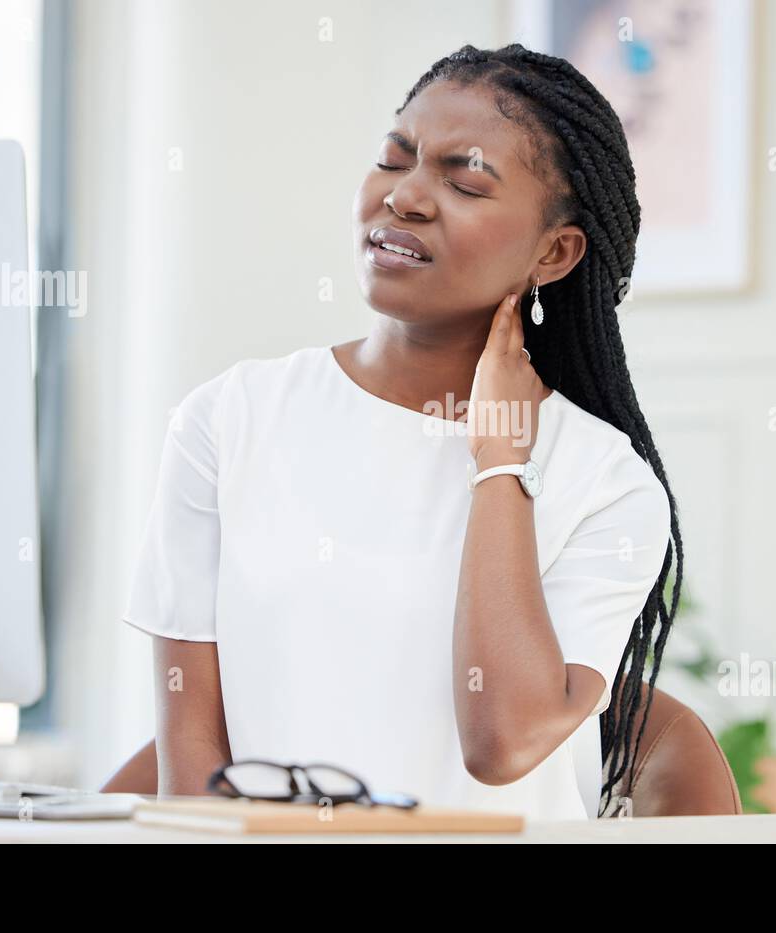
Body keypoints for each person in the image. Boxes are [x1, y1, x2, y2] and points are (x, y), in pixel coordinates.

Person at [118, 43, 685, 820]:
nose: (407, 197)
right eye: (395, 159)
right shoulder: (226, 419)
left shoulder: (607, 483)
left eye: (464, 181)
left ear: (553, 253)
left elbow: (504, 740)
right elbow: (192, 774)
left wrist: (498, 462)